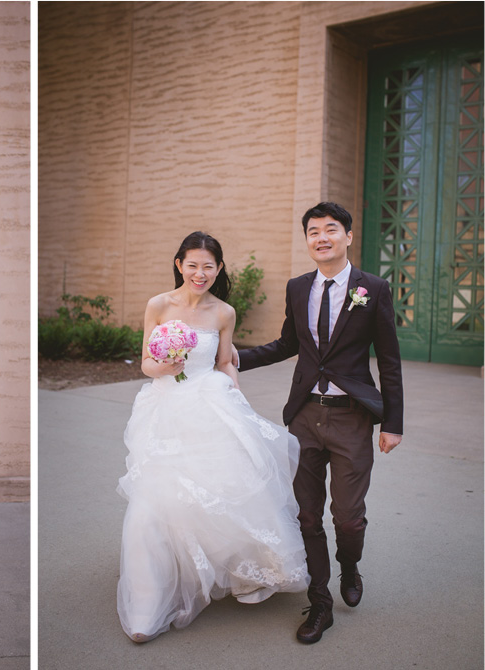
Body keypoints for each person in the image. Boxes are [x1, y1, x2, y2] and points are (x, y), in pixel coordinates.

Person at [117, 232, 309, 643]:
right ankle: (149, 603)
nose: (199, 273)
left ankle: (221, 565)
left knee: (223, 493)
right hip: (164, 409)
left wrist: (234, 394)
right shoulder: (158, 304)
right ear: (178, 264)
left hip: (209, 405)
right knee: (155, 499)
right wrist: (165, 366)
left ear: (219, 269)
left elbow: (225, 362)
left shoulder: (224, 312)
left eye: (209, 266)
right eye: (192, 264)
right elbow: (146, 364)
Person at [236, 202, 403, 644]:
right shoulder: (298, 287)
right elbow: (287, 344)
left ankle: (349, 565)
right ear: (307, 240)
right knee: (306, 516)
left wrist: (393, 422)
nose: (322, 237)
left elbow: (389, 361)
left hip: (351, 419)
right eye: (313, 231)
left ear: (348, 236)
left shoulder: (373, 289)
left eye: (331, 230)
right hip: (305, 415)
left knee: (347, 519)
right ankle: (321, 602)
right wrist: (232, 358)